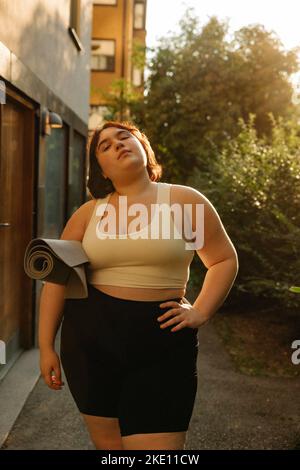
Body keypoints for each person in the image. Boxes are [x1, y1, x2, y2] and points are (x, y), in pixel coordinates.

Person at [39, 120, 238, 451]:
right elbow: (56, 281)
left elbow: (222, 260)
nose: (118, 145)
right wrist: (46, 345)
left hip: (161, 345)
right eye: (105, 146)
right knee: (111, 450)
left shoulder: (183, 202)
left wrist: (201, 311)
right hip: (90, 344)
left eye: (124, 138)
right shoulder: (89, 214)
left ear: (143, 149)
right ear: (101, 170)